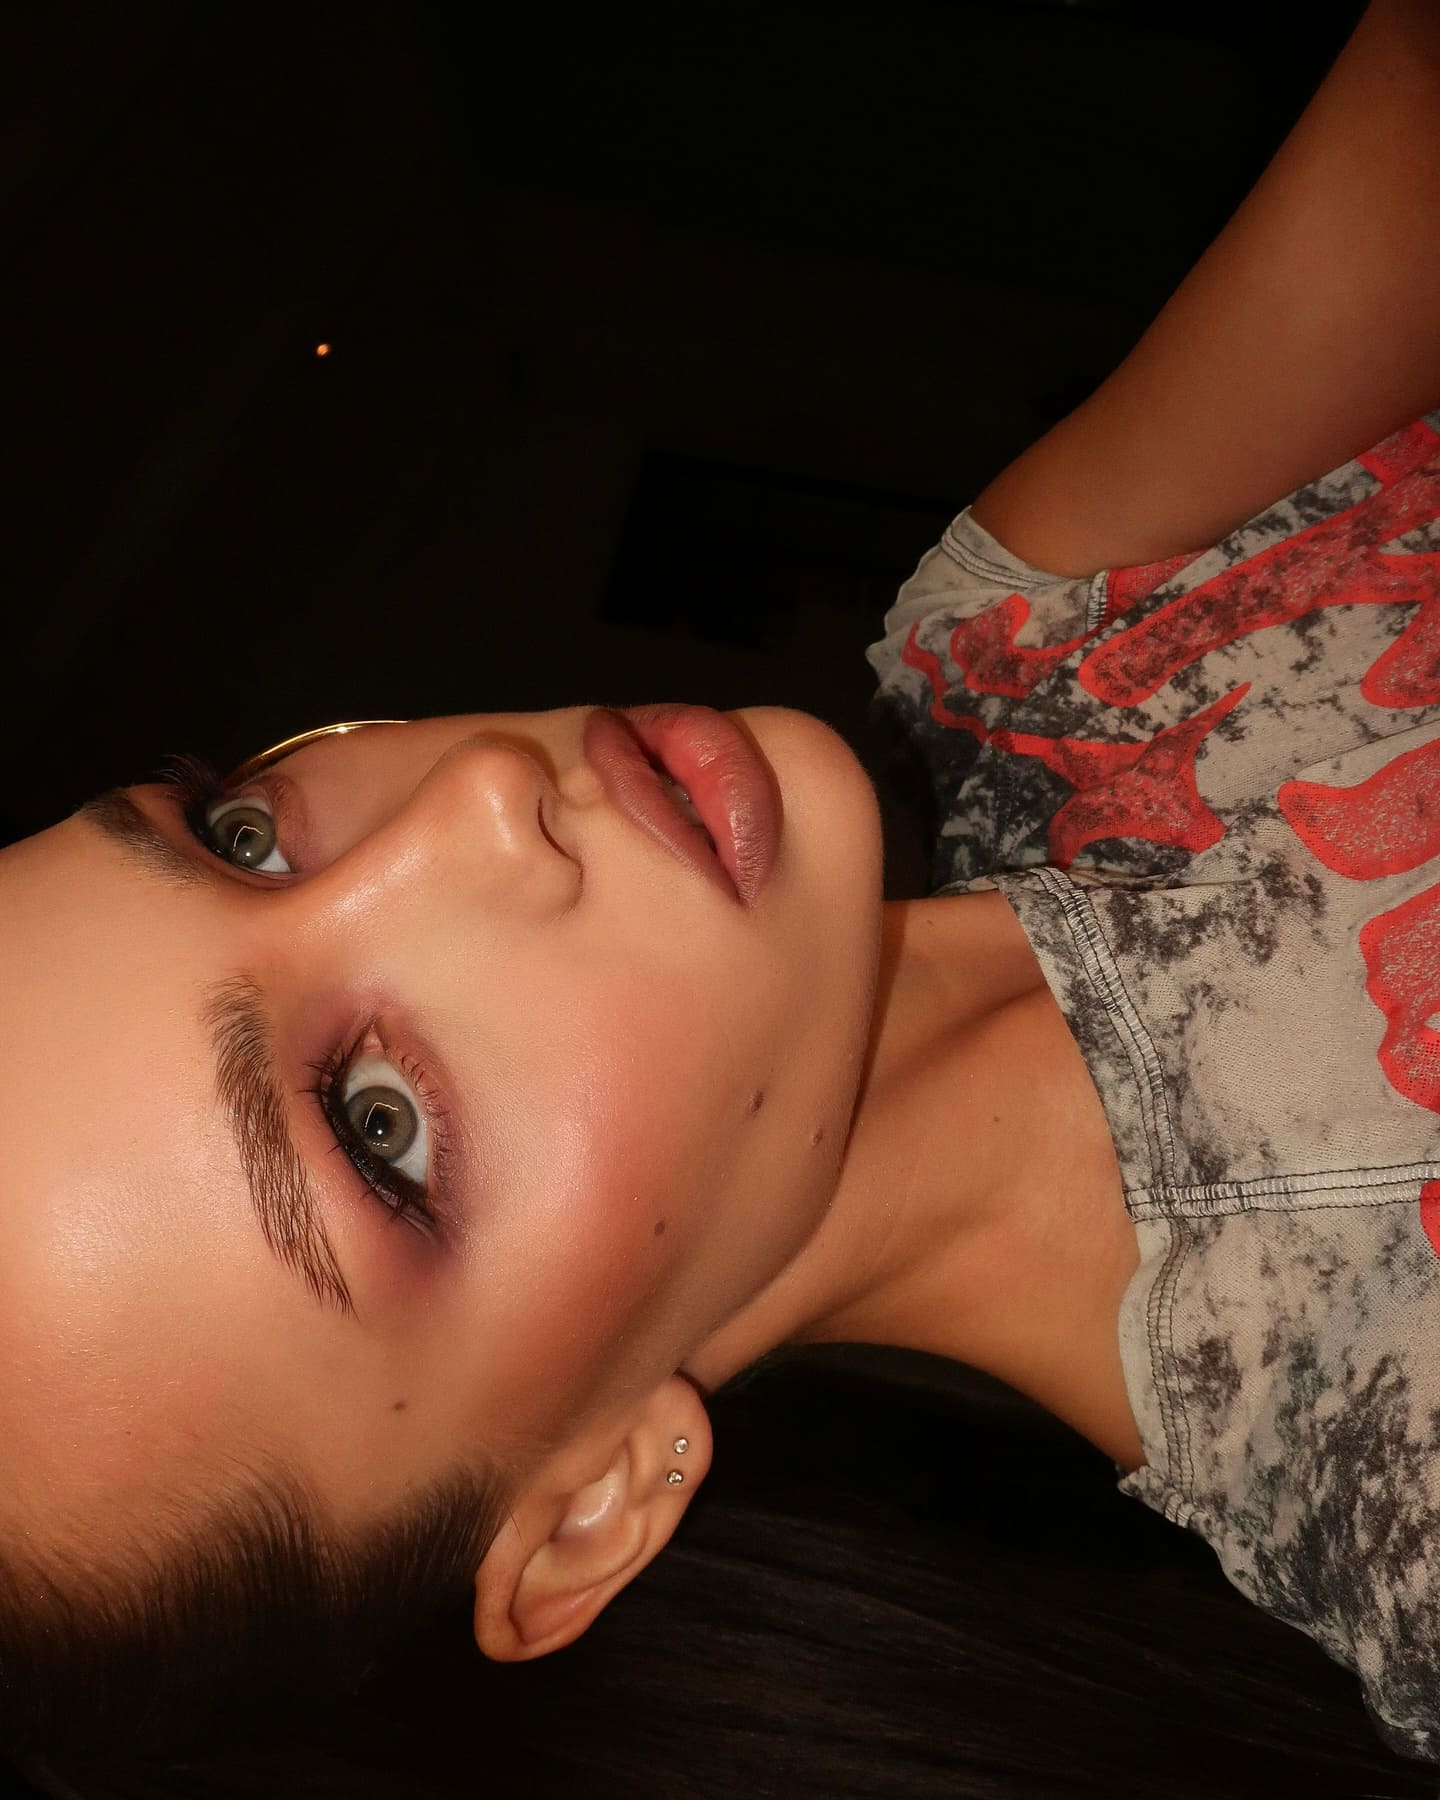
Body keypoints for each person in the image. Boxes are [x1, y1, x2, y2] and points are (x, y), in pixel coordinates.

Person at [2, 0, 1439, 1778]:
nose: (473, 805)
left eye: (240, 839)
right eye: (377, 1128)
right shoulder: (1398, 1477)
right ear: (591, 1504)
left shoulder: (1039, 637)